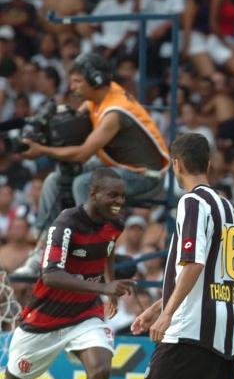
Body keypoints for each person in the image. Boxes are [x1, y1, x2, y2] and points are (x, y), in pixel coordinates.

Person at [131, 133, 234, 379]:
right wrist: (153, 308)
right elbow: (203, 269)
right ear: (208, 164)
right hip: (222, 318)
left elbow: (193, 266)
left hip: (193, 321)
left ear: (176, 164)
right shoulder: (225, 206)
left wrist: (165, 313)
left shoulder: (191, 203)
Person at [0, 170, 133, 379]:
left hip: (85, 315)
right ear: (94, 193)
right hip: (44, 320)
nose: (119, 202)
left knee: (101, 370)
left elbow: (107, 252)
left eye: (123, 196)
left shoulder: (115, 225)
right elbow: (50, 275)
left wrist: (109, 287)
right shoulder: (66, 225)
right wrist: (103, 289)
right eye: (113, 195)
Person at [17, 53, 169, 276]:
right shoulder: (97, 98)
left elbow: (82, 153)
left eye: (78, 81)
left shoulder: (115, 113)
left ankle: (88, 249)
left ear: (96, 80)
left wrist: (42, 150)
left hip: (146, 177)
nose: (72, 87)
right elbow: (72, 127)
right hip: (118, 168)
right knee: (55, 179)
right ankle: (44, 247)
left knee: (82, 183)